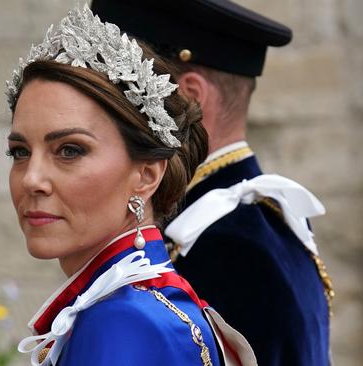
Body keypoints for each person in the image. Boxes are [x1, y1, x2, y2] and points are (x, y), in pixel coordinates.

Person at [5, 5, 255, 366]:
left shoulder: (121, 321)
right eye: (20, 152)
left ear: (147, 175)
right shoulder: (139, 303)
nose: (32, 179)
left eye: (70, 150)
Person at [91, 1, 333, 365]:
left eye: (124, 92)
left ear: (190, 96)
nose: (104, 110)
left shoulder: (225, 244)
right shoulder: (258, 219)